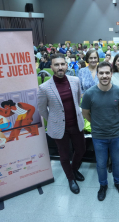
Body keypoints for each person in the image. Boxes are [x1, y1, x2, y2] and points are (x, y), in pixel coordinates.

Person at [37, 53, 86, 195]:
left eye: (62, 64)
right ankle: (70, 178)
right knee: (64, 155)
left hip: (76, 124)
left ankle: (74, 169)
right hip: (59, 127)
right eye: (56, 65)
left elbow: (77, 100)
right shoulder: (44, 87)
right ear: (51, 67)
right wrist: (53, 119)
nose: (60, 67)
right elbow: (42, 109)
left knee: (81, 149)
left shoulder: (75, 80)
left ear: (66, 65)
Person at [81, 61, 119, 201]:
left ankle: (118, 182)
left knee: (117, 161)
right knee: (101, 164)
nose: (104, 76)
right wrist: (98, 123)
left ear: (111, 74)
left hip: (116, 135)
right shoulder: (89, 94)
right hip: (98, 136)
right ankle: (103, 185)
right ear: (98, 75)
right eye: (101, 73)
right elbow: (86, 113)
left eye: (107, 73)